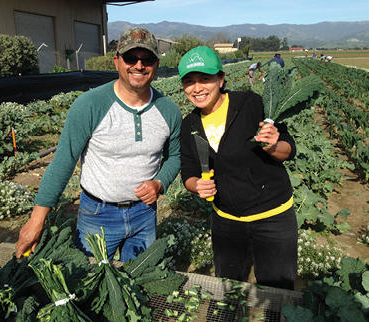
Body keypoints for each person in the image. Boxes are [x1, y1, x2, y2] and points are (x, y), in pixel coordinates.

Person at [15, 27, 182, 262]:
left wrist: (159, 182)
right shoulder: (90, 105)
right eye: (131, 58)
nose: (139, 65)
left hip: (145, 214)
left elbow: (175, 156)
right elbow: (64, 160)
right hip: (98, 214)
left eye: (147, 59)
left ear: (156, 64)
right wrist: (36, 219)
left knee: (139, 284)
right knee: (89, 283)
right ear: (117, 61)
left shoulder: (168, 110)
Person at [179, 46, 298, 290]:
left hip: (273, 219)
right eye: (189, 81)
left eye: (205, 78)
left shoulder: (250, 104)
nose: (197, 88)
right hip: (226, 222)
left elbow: (288, 148)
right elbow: (188, 171)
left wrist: (273, 146)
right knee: (228, 288)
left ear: (221, 79)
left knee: (276, 291)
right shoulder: (189, 124)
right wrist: (196, 185)